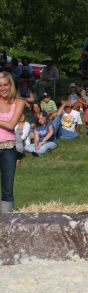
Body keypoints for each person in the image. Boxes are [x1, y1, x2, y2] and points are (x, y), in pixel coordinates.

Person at [0, 73, 26, 213]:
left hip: (9, 149)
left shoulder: (19, 102)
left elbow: (11, 125)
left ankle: (5, 221)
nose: (3, 88)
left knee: (7, 188)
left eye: (5, 84)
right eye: (0, 86)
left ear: (11, 85)